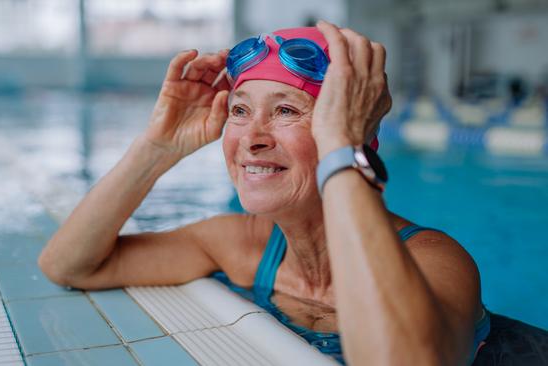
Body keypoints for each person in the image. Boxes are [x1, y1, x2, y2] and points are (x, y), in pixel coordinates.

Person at [39, 21, 490, 365]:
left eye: (286, 110)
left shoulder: (434, 260)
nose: (252, 137)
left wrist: (341, 148)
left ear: (352, 133)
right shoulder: (244, 244)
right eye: (240, 111)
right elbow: (69, 266)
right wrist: (158, 148)